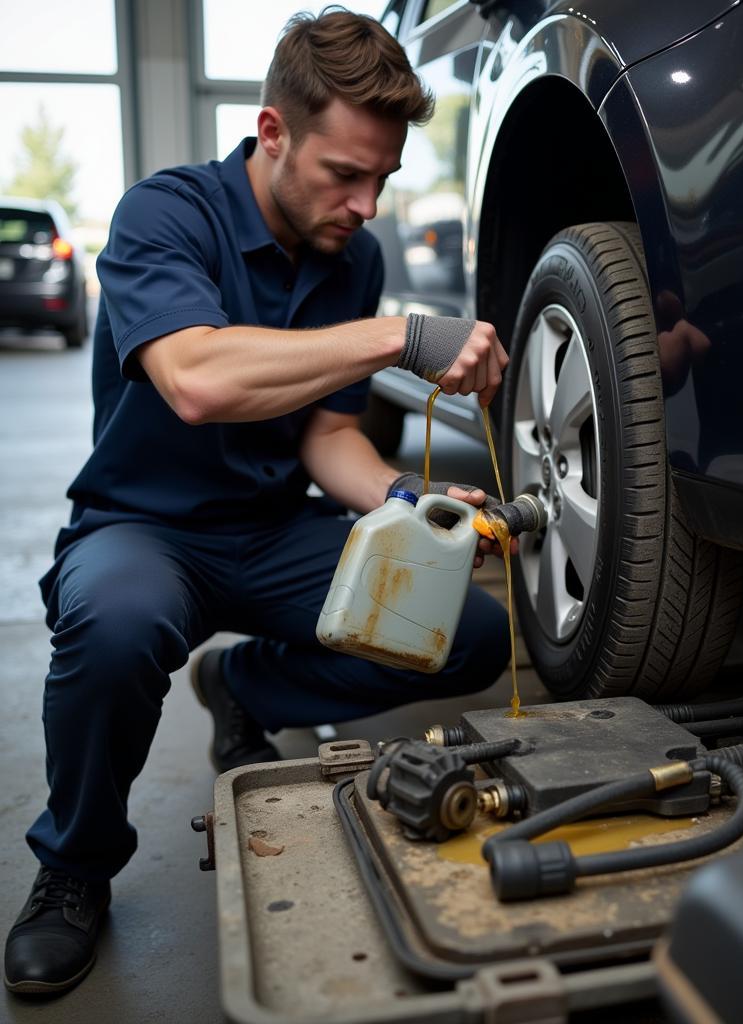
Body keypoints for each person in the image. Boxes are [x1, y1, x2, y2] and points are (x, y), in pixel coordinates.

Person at [4, 8, 511, 997]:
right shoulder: (165, 215)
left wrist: (413, 501)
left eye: (382, 179)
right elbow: (196, 379)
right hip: (143, 527)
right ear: (272, 133)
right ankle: (74, 866)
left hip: (275, 530)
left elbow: (326, 435)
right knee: (112, 623)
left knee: (470, 634)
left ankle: (247, 687)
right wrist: (400, 336)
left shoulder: (350, 258)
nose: (366, 204)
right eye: (344, 175)